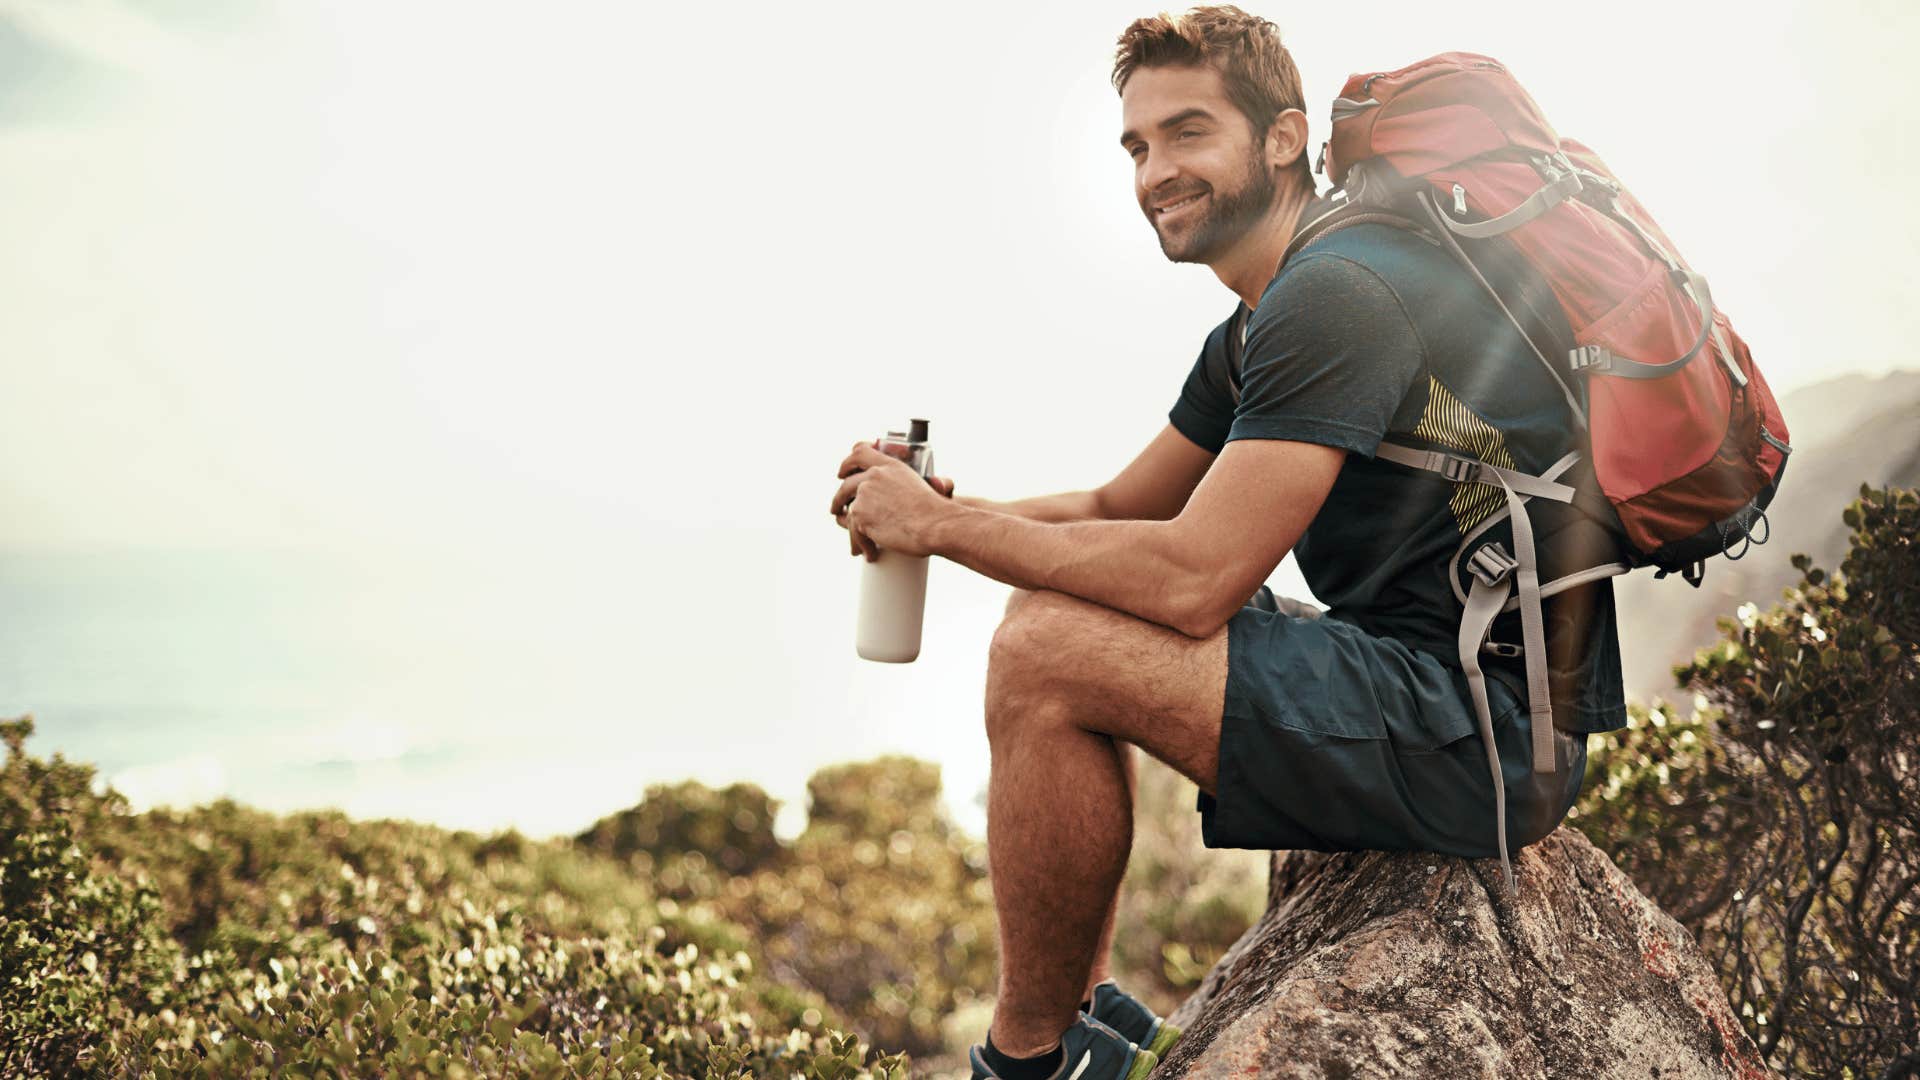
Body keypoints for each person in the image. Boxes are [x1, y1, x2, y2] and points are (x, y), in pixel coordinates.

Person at [828, 7, 1627, 1079]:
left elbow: (1196, 578)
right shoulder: (1260, 321)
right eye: (1137, 146)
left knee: (1044, 655)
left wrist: (942, 530)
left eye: (1188, 132)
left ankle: (1031, 1061)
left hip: (1484, 735)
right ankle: (1088, 1021)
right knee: (1045, 618)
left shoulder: (1339, 293)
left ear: (1283, 138)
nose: (1156, 171)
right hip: (1437, 691)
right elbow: (1123, 509)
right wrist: (941, 511)